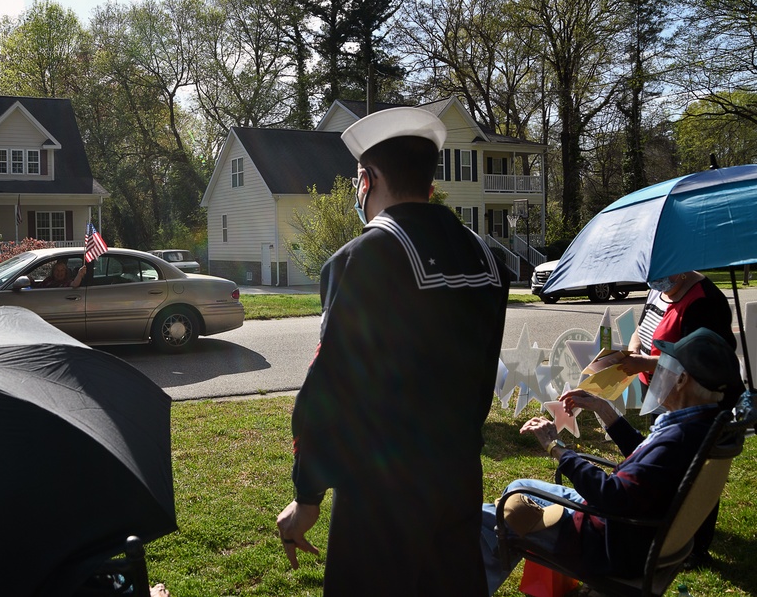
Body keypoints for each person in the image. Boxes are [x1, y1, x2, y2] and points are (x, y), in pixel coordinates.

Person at [275, 107, 510, 595]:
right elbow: (484, 370)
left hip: (384, 494)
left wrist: (308, 495)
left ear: (369, 178)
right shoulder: (486, 257)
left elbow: (331, 387)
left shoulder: (363, 258)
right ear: (430, 180)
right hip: (460, 477)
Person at [482, 327, 741, 594]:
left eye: (665, 368)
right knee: (517, 488)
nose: (656, 375)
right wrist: (604, 409)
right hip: (628, 532)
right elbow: (649, 461)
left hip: (605, 544)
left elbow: (611, 496)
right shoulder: (701, 426)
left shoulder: (680, 438)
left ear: (681, 380)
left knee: (490, 520)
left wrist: (555, 446)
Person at [620, 269, 741, 565]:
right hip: (662, 391)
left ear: (684, 269)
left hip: (694, 400)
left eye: (663, 274)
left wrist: (643, 363)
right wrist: (634, 349)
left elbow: (698, 362)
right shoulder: (661, 289)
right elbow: (644, 326)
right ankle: (666, 528)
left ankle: (695, 546)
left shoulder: (705, 301)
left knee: (693, 473)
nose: (655, 281)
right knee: (664, 467)